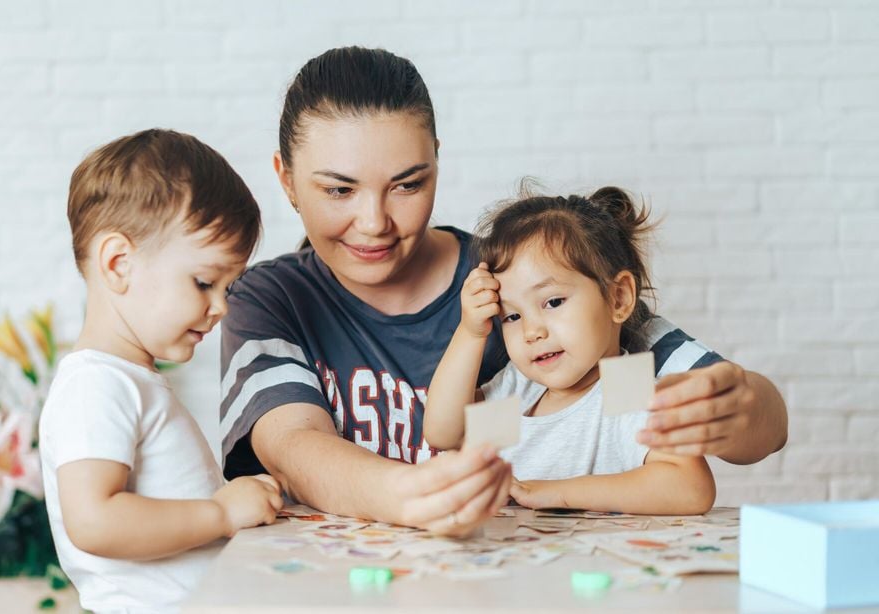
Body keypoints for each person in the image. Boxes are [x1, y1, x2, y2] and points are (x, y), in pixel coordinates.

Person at [219, 46, 787, 536]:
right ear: (288, 180)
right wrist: (418, 492)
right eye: (339, 190)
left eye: (408, 185)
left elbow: (737, 421)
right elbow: (294, 449)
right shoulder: (272, 299)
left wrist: (741, 409)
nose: (374, 222)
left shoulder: (516, 276)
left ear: (438, 163)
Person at [39, 129, 283, 613]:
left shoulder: (131, 382)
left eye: (227, 288)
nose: (220, 308)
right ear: (118, 264)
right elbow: (94, 521)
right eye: (204, 282)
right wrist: (220, 511)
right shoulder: (95, 386)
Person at [423, 185, 716, 514]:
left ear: (618, 298)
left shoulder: (623, 386)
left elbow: (691, 488)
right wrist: (471, 332)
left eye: (553, 302)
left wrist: (557, 493)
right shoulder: (522, 395)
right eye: (512, 316)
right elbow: (444, 432)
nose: (532, 331)